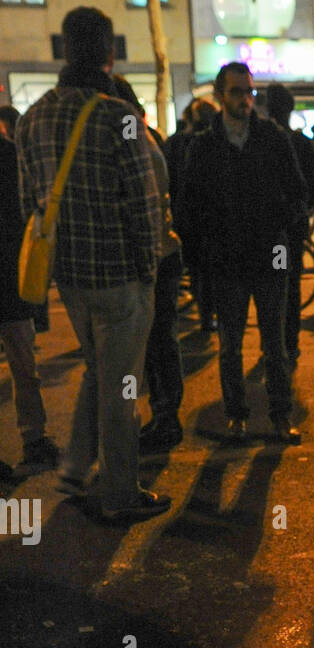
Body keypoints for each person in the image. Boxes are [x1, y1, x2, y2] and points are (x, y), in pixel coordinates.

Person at [15, 6, 167, 523]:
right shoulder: (118, 117)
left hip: (69, 278)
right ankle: (122, 495)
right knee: (122, 389)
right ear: (109, 53)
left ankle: (75, 470)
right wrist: (149, 271)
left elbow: (28, 206)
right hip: (121, 278)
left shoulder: (31, 118)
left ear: (63, 50)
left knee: (97, 372)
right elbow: (144, 205)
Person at [176, 61, 306, 443]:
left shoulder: (271, 137)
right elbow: (188, 206)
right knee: (230, 346)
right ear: (219, 95)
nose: (246, 98)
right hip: (226, 261)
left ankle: (280, 417)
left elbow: (299, 190)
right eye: (236, 91)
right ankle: (237, 416)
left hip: (269, 254)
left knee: (275, 345)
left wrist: (279, 222)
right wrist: (203, 251)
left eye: (249, 91)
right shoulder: (204, 145)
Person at [113, 76, 184, 453]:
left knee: (156, 343)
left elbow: (147, 203)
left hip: (156, 256)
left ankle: (166, 417)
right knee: (158, 342)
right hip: (162, 253)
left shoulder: (136, 139)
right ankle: (164, 416)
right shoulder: (145, 135)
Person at [0, 128, 59, 478]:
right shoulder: (12, 153)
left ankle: (35, 438)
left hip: (10, 277)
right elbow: (28, 212)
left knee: (24, 366)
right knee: (24, 367)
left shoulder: (11, 153)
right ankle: (34, 439)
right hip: (11, 275)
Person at [266, 84, 314, 363]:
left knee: (273, 285)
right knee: (290, 283)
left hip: (269, 230)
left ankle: (275, 343)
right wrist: (303, 209)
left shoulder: (262, 140)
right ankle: (289, 342)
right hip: (292, 227)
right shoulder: (300, 143)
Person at [167, 97, 218, 334]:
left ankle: (205, 313)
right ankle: (210, 314)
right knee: (210, 270)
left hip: (186, 218)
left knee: (197, 269)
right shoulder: (214, 143)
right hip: (210, 219)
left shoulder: (175, 144)